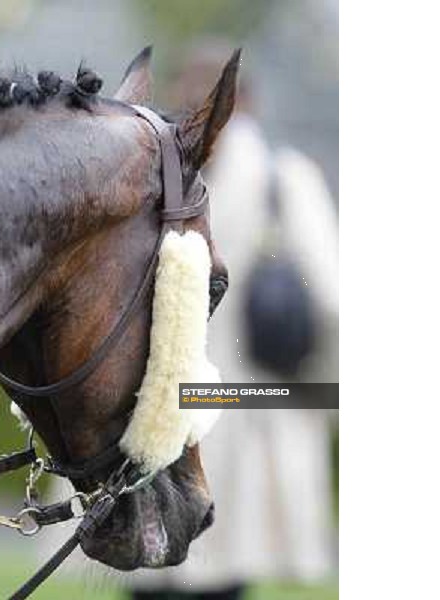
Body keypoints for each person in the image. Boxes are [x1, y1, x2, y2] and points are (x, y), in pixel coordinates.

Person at [125, 41, 339, 599]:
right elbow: (333, 305)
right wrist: (320, 404)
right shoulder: (283, 177)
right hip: (242, 410)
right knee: (219, 574)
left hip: (152, 416)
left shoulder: (148, 177)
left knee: (148, 568)